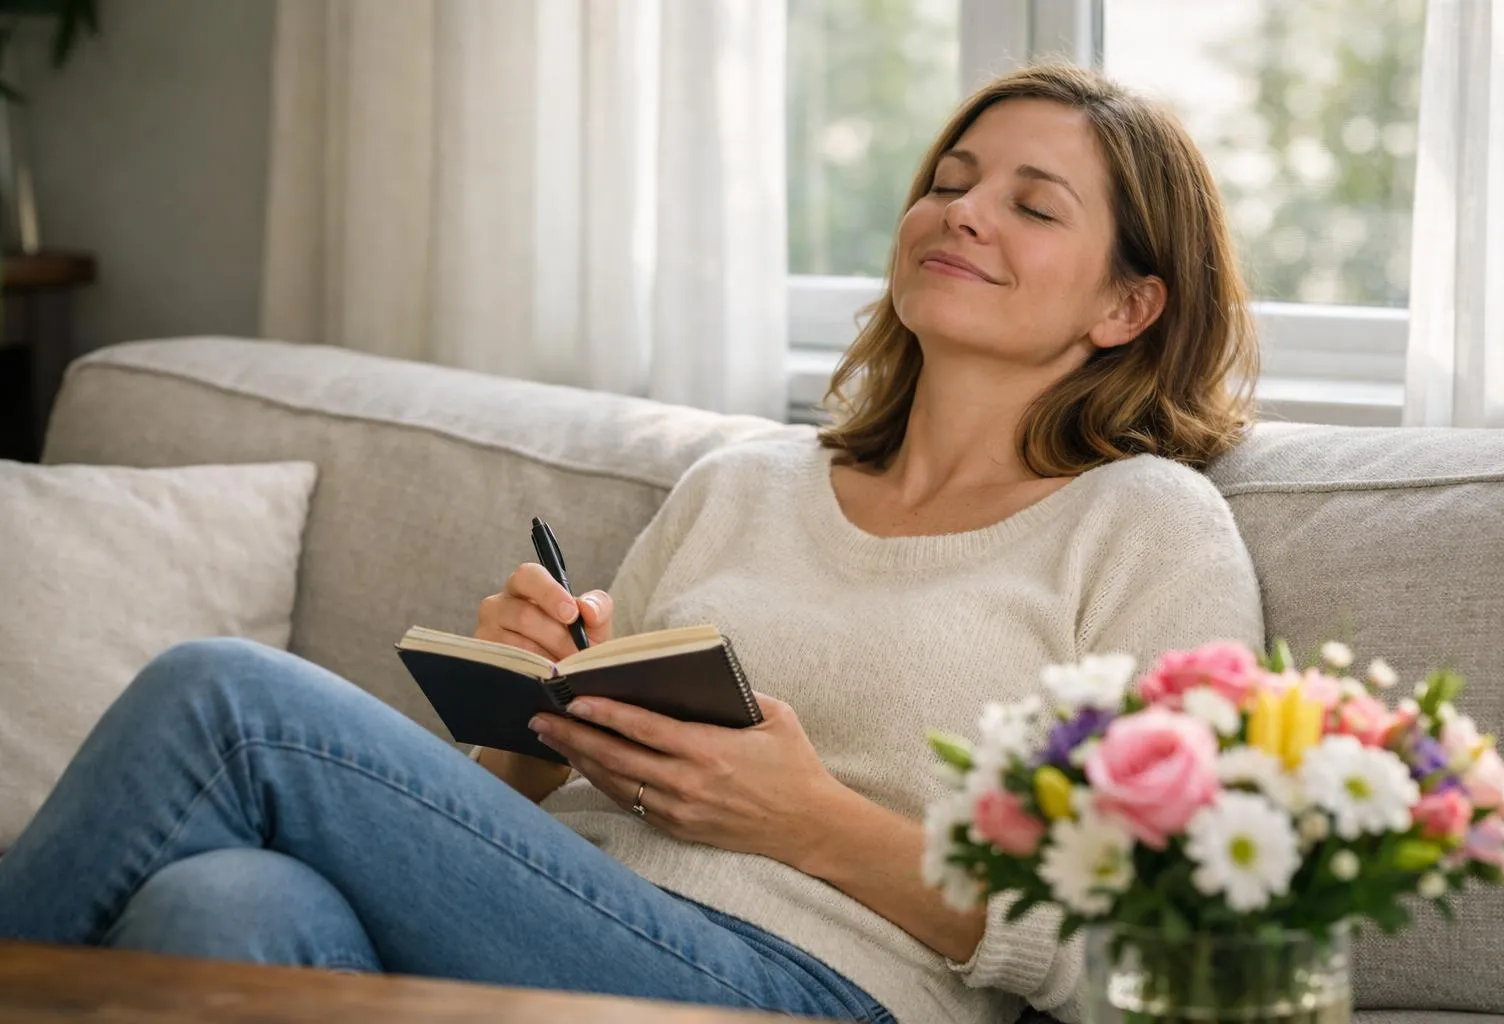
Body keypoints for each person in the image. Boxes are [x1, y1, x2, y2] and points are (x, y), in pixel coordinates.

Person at [0, 61, 1265, 1024]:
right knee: (221, 905)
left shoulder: (1144, 527)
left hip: (814, 986)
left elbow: (1179, 964)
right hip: (569, 926)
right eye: (948, 180)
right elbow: (539, 808)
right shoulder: (745, 485)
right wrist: (528, 727)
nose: (963, 211)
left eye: (1031, 205)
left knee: (226, 698)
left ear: (1127, 304)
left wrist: (815, 821)